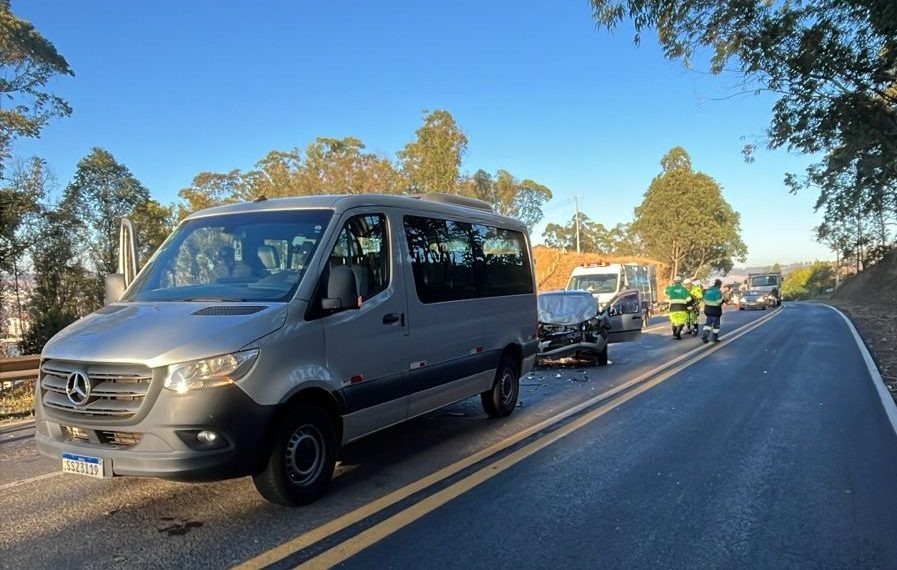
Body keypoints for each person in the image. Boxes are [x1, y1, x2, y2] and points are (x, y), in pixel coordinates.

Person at [702, 278, 726, 343]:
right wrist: (723, 301)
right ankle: (715, 338)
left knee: (708, 324)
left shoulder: (708, 290)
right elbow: (718, 301)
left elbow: (704, 299)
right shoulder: (718, 291)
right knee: (716, 326)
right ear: (719, 285)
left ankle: (705, 336)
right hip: (715, 311)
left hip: (707, 310)